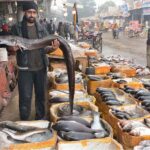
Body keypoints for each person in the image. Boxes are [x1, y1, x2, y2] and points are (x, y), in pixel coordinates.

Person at [11, 1, 60, 120]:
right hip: (25, 69)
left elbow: (45, 48)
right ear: (25, 12)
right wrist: (12, 48)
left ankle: (40, 120)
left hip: (40, 68)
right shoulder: (16, 28)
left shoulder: (42, 28)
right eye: (29, 12)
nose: (32, 15)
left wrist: (53, 48)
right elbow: (9, 46)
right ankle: (24, 121)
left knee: (41, 97)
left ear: (36, 14)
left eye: (34, 12)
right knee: (25, 97)